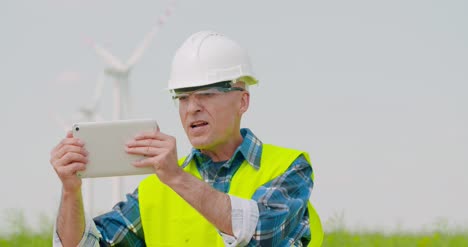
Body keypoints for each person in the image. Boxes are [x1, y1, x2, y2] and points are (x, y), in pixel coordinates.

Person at [50, 30, 323, 246]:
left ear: (243, 101)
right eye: (182, 97)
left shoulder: (289, 168)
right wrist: (70, 191)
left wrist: (177, 177)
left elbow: (263, 235)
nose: (192, 108)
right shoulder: (155, 190)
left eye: (207, 93)